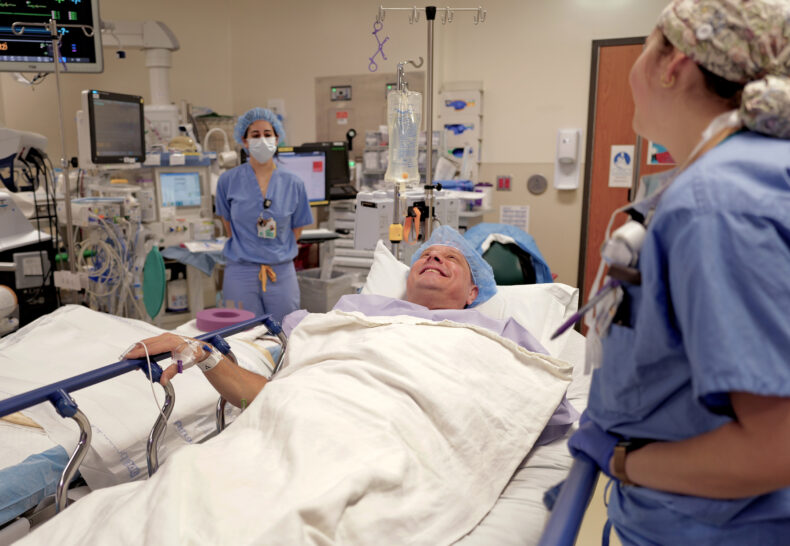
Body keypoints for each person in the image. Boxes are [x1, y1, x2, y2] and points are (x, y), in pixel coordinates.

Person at [567, 1, 790, 544]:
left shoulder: (718, 201)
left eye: (646, 46)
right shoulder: (744, 174)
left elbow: (775, 448)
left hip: (722, 527)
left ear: (674, 64)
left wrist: (624, 463)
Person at [127, 226, 573, 441]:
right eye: (426, 255)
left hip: (404, 438)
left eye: (450, 259)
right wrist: (198, 351)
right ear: (407, 276)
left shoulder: (492, 331)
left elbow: (539, 406)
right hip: (313, 429)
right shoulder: (354, 313)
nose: (435, 258)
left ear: (474, 289)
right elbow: (277, 397)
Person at [215, 107, 313, 323]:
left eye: (267, 134)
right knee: (241, 336)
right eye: (255, 135)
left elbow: (297, 228)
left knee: (286, 334)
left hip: (281, 272)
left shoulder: (293, 183)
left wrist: (273, 250)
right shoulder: (227, 182)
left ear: (277, 138)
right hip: (241, 272)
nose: (262, 140)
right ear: (244, 140)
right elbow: (228, 224)